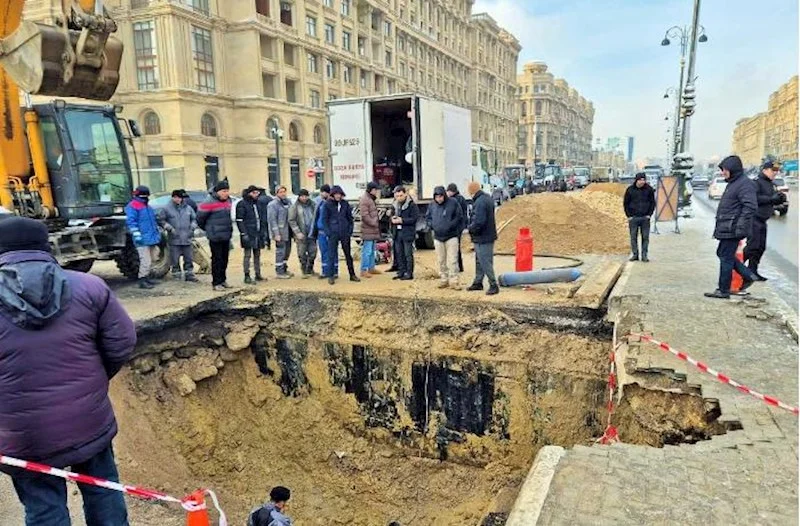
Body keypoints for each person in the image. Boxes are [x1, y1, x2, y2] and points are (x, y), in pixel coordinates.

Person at [0, 217, 136, 525]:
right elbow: (122, 342)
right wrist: (93, 379)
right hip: (87, 420)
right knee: (104, 494)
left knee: (44, 510)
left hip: (24, 436)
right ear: (45, 246)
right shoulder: (88, 286)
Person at [705, 155, 758, 299]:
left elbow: (750, 206)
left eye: (725, 170)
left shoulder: (744, 184)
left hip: (733, 227)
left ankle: (723, 290)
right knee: (722, 253)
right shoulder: (734, 182)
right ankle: (748, 275)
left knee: (726, 257)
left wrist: (740, 225)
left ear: (733, 169)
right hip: (728, 225)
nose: (723, 173)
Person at [744, 160, 786, 280]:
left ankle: (753, 270)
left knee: (760, 247)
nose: (775, 173)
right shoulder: (756, 182)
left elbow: (771, 199)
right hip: (754, 218)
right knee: (752, 246)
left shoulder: (771, 184)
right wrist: (771, 199)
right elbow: (754, 198)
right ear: (764, 170)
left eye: (776, 171)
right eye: (773, 171)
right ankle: (736, 266)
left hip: (763, 219)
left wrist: (779, 199)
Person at [197, 180, 234, 291]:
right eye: (224, 191)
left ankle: (223, 280)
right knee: (217, 259)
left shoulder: (228, 200)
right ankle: (216, 282)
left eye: (227, 191)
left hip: (226, 234)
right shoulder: (208, 202)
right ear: (217, 191)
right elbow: (200, 219)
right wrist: (209, 229)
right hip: (214, 236)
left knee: (224, 259)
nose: (226, 193)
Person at [427, 186, 464, 289]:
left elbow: (459, 217)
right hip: (438, 237)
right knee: (441, 260)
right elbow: (428, 217)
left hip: (451, 236)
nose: (439, 199)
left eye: (440, 196)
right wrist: (432, 225)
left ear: (444, 195)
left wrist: (451, 226)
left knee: (452, 260)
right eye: (437, 197)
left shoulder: (453, 203)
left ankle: (454, 281)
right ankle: (444, 279)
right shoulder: (432, 205)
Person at [158, 189, 199, 282]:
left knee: (188, 258)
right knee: (175, 259)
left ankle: (189, 274)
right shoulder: (166, 209)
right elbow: (161, 220)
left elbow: (194, 219)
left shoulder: (188, 208)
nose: (177, 199)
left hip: (187, 237)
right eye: (175, 197)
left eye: (179, 197)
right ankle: (176, 274)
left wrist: (193, 226)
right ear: (172, 197)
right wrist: (169, 228)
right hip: (174, 238)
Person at [125, 185, 161, 289]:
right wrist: (137, 235)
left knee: (154, 257)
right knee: (146, 260)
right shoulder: (133, 206)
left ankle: (147, 277)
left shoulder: (147, 206)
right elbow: (131, 222)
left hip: (151, 238)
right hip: (142, 239)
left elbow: (153, 222)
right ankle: (142, 280)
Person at [466, 181, 499, 295]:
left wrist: (470, 229)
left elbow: (479, 221)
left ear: (472, 191)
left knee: (485, 261)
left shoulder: (479, 202)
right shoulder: (487, 198)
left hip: (482, 237)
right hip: (487, 235)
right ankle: (478, 282)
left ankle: (493, 284)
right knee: (479, 261)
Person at [323, 185, 360, 284]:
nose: (338, 196)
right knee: (331, 255)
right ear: (333, 195)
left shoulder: (345, 204)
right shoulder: (327, 204)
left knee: (348, 255)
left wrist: (349, 231)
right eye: (336, 194)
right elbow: (324, 220)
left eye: (339, 194)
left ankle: (352, 275)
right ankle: (331, 276)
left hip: (344, 233)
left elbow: (350, 218)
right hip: (333, 233)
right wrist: (328, 232)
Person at [236, 185, 269, 284]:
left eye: (257, 193)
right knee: (247, 255)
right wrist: (243, 233)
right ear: (249, 193)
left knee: (257, 254)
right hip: (248, 233)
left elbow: (262, 218)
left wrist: (263, 232)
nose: (256, 195)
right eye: (254, 193)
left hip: (258, 233)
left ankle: (258, 274)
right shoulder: (242, 204)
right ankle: (247, 275)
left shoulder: (258, 203)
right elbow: (239, 220)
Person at [623, 172, 656, 262]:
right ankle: (635, 255)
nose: (642, 182)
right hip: (633, 218)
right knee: (633, 237)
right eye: (640, 180)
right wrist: (629, 215)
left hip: (645, 218)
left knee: (645, 237)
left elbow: (653, 203)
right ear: (636, 180)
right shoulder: (630, 190)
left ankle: (644, 255)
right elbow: (625, 203)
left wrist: (649, 214)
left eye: (644, 180)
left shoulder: (649, 190)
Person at [390, 185, 419, 281]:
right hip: (397, 233)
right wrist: (392, 218)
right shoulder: (394, 205)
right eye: (397, 196)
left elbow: (414, 219)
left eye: (401, 195)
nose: (399, 198)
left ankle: (409, 273)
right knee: (399, 253)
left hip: (407, 233)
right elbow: (391, 216)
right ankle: (401, 272)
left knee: (408, 254)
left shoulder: (411, 205)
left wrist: (402, 220)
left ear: (405, 194)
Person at [288, 189, 318, 277]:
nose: (304, 198)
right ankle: (304, 270)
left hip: (312, 233)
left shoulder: (313, 205)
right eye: (302, 196)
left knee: (313, 252)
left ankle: (310, 269)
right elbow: (292, 220)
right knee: (302, 253)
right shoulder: (295, 207)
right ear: (299, 197)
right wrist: (297, 232)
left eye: (306, 196)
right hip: (301, 233)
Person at [268, 186, 293, 279]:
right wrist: (276, 234)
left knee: (287, 251)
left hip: (288, 231)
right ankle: (279, 271)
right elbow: (272, 220)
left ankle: (285, 268)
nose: (283, 194)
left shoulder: (288, 202)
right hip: (280, 232)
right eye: (281, 192)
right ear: (276, 193)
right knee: (280, 252)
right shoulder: (273, 205)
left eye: (284, 192)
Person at [359, 182, 382, 278]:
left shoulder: (370, 199)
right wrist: (373, 222)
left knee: (372, 250)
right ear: (371, 190)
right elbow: (364, 215)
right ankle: (363, 270)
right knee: (367, 251)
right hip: (368, 229)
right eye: (375, 190)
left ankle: (371, 268)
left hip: (372, 230)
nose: (377, 191)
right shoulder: (365, 200)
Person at [313, 184, 335, 278]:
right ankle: (325, 271)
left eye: (325, 192)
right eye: (322, 192)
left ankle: (334, 271)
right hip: (321, 232)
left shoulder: (332, 203)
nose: (323, 194)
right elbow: (316, 217)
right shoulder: (319, 203)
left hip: (330, 232)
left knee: (332, 252)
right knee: (323, 252)